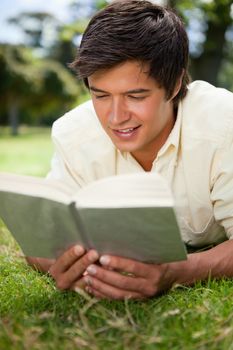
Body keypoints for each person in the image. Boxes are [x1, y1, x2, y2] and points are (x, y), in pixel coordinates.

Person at [27, 0, 233, 300]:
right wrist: (57, 264)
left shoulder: (222, 124)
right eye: (100, 95)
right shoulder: (73, 134)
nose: (116, 117)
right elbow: (41, 239)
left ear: (174, 85)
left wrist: (181, 271)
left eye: (135, 96)